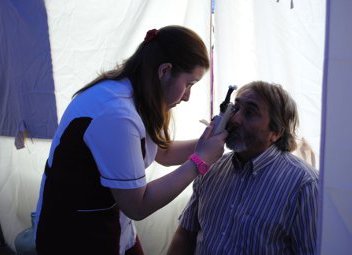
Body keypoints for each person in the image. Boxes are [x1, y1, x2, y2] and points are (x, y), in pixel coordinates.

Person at [34, 25, 228, 255]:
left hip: (114, 225)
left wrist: (209, 142)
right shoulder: (116, 115)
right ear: (164, 71)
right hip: (77, 237)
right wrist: (199, 161)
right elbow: (138, 205)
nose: (187, 96)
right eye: (189, 84)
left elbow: (162, 153)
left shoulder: (135, 93)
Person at [168, 81, 319, 255]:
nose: (235, 119)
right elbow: (186, 234)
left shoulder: (306, 185)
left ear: (275, 132)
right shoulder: (211, 167)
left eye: (250, 113)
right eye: (235, 108)